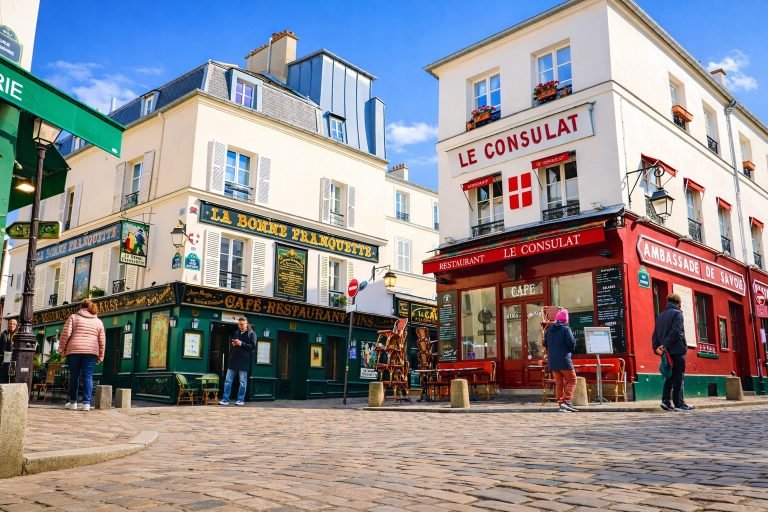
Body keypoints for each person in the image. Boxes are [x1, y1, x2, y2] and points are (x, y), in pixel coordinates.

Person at [58, 300, 105, 411]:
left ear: (81, 307)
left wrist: (61, 349)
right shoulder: (98, 322)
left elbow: (65, 334)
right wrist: (101, 355)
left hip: (74, 350)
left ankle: (73, 402)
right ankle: (86, 404)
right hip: (91, 352)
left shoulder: (73, 317)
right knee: (88, 377)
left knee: (74, 377)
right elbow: (102, 341)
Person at [652, 293, 694, 411]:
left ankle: (665, 401)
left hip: (665, 352)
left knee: (669, 376)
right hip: (676, 350)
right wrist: (665, 346)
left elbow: (655, 333)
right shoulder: (678, 314)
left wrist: (656, 347)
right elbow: (676, 331)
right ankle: (679, 403)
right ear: (678, 303)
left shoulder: (660, 316)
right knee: (679, 377)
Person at [543, 309, 578, 412]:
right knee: (572, 380)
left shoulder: (549, 330)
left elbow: (545, 344)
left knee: (559, 383)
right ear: (565, 320)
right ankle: (566, 401)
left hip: (552, 361)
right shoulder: (565, 329)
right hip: (564, 359)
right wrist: (570, 348)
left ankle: (561, 404)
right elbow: (571, 343)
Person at [219, 317, 256, 406]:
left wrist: (241, 343)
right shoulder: (236, 333)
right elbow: (235, 345)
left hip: (244, 361)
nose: (241, 326)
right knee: (228, 381)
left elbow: (253, 346)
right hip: (233, 360)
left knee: (242, 382)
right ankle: (225, 399)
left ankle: (240, 400)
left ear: (246, 324)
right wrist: (234, 344)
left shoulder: (252, 334)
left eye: (242, 324)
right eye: (239, 324)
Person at [0, 319, 18, 383]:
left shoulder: (18, 334)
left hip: (14, 357)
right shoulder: (4, 333)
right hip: (5, 356)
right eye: (10, 323)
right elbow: (2, 346)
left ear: (16, 325)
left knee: (12, 375)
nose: (11, 325)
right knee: (3, 374)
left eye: (14, 324)